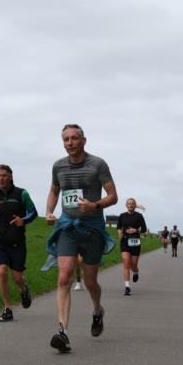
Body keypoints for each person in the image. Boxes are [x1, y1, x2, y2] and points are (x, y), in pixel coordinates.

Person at [46, 124, 117, 352]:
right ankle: (63, 332)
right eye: (66, 139)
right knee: (65, 276)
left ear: (84, 140)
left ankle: (97, 310)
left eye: (74, 138)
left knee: (89, 281)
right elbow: (55, 190)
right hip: (67, 226)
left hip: (92, 227)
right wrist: (49, 211)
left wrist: (94, 205)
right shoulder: (58, 166)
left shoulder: (98, 164)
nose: (70, 143)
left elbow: (113, 196)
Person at [0, 165, 38, 322]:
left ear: (10, 176)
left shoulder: (22, 194)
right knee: (1, 272)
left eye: (4, 175)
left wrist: (23, 220)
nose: (1, 178)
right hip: (0, 241)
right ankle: (7, 308)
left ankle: (24, 289)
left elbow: (33, 212)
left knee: (16, 277)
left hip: (17, 241)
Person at [116, 199, 147, 296]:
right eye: (129, 203)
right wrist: (120, 233)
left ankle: (136, 271)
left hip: (135, 242)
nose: (130, 205)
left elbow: (144, 229)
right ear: (126, 205)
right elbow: (118, 227)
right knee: (126, 262)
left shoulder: (139, 216)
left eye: (132, 204)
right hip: (125, 241)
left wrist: (136, 230)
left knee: (133, 265)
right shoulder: (122, 216)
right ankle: (127, 286)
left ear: (135, 206)